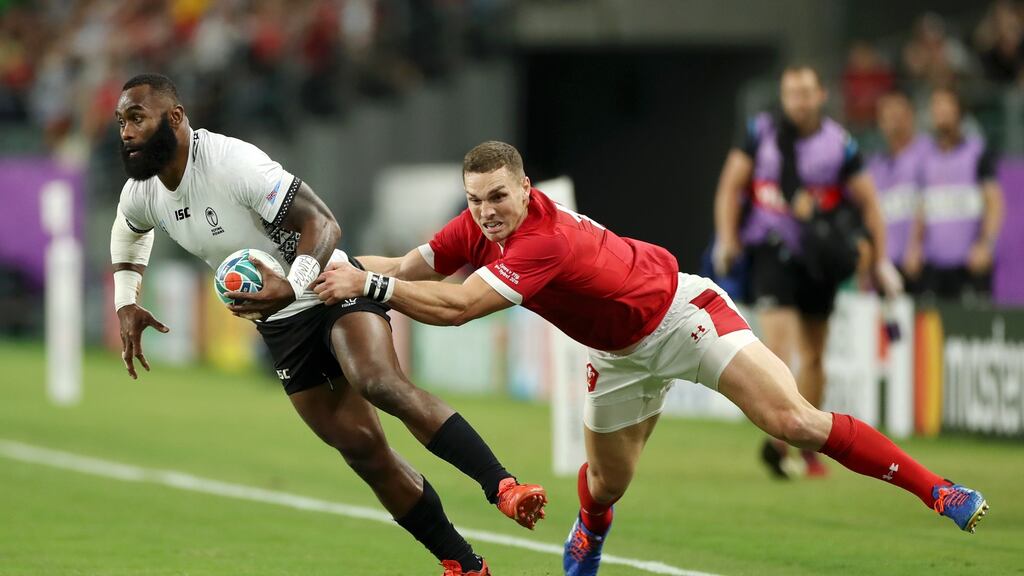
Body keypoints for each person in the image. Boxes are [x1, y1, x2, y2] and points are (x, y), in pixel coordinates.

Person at [314, 140, 989, 576]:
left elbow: (456, 308)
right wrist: (320, 267)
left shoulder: (543, 239)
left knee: (794, 422)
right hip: (618, 356)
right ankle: (593, 526)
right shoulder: (476, 227)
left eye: (498, 197)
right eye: (475, 200)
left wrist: (368, 288)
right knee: (607, 487)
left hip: (684, 316)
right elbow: (407, 268)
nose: (486, 212)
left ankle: (939, 491)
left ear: (525, 189)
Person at [109, 74, 546, 576]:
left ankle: (503, 487)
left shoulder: (232, 163)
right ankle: (467, 566)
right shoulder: (142, 191)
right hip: (280, 327)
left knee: (377, 382)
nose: (126, 130)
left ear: (175, 118)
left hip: (327, 283)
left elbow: (324, 223)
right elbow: (128, 230)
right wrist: (127, 302)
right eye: (121, 120)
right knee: (363, 452)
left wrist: (294, 287)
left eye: (137, 117)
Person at [713, 65, 902, 478]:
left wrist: (881, 259)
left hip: (819, 258)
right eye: (791, 93)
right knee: (776, 348)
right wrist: (728, 238)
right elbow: (731, 186)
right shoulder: (760, 134)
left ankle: (810, 446)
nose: (798, 101)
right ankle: (780, 440)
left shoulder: (839, 144)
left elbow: (869, 203)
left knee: (814, 354)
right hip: (771, 250)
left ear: (820, 96)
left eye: (805, 93)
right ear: (783, 97)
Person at [911, 87, 1005, 302]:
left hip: (969, 268)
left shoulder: (977, 152)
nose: (940, 111)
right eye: (936, 105)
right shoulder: (925, 158)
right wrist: (914, 246)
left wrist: (986, 245)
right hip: (933, 268)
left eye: (946, 105)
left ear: (959, 112)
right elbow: (922, 207)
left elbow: (994, 203)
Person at [866, 89, 928, 286]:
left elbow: (927, 204)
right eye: (886, 116)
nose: (892, 122)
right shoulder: (875, 165)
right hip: (887, 268)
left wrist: (916, 246)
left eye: (897, 115)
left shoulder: (927, 154)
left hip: (920, 264)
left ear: (910, 117)